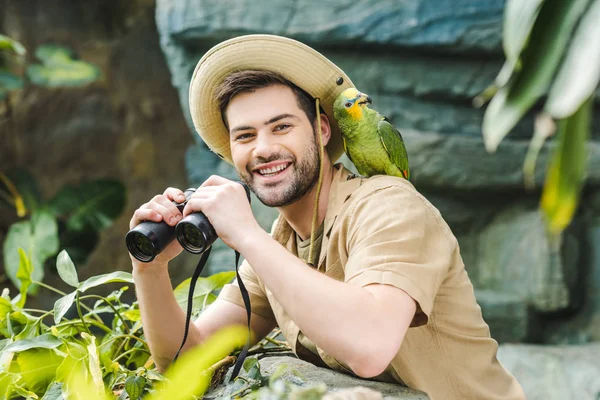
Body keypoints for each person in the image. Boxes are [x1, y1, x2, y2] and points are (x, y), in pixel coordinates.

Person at [130, 34, 526, 400]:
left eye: (281, 127)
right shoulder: (278, 244)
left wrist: (246, 234)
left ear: (321, 129)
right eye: (245, 136)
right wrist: (150, 270)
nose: (264, 149)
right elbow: (189, 362)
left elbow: (370, 347)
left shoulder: (389, 206)